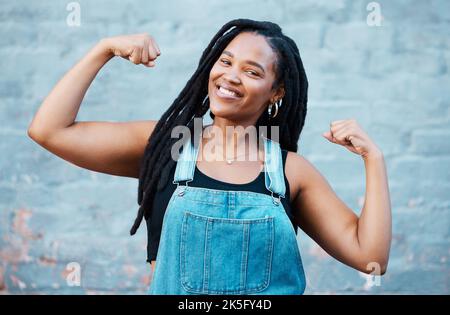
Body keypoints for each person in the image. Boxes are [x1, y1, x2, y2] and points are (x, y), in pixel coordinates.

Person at [28, 19, 392, 294]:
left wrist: (373, 159)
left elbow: (369, 257)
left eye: (252, 71)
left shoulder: (290, 172)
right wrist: (103, 49)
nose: (231, 77)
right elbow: (49, 130)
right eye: (226, 62)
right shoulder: (165, 146)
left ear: (276, 91)